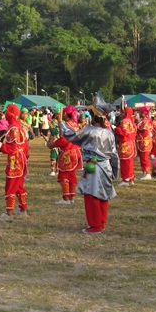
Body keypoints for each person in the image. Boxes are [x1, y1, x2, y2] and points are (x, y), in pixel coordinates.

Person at [55, 94, 117, 234]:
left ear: (93, 117)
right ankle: (102, 222)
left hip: (93, 167)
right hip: (106, 166)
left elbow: (71, 136)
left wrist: (60, 123)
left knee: (92, 195)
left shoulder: (89, 132)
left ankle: (95, 225)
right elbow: (114, 155)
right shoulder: (109, 133)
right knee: (103, 195)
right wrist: (115, 172)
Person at [0, 103, 31, 220]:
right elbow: (25, 146)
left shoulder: (13, 128)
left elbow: (12, 148)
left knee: (11, 185)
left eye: (7, 112)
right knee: (19, 184)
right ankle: (23, 208)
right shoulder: (19, 127)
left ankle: (9, 212)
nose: (5, 114)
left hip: (15, 160)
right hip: (21, 159)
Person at [50, 105, 83, 205]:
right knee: (71, 175)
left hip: (68, 152)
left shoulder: (67, 125)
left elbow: (64, 140)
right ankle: (72, 196)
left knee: (64, 175)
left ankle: (66, 198)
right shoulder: (75, 124)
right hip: (76, 151)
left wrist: (53, 144)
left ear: (65, 114)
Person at [136, 106, 156, 180]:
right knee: (142, 158)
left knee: (145, 158)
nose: (139, 113)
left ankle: (148, 173)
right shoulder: (143, 120)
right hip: (142, 142)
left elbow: (145, 132)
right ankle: (144, 172)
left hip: (145, 142)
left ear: (144, 113)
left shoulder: (146, 121)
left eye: (141, 112)